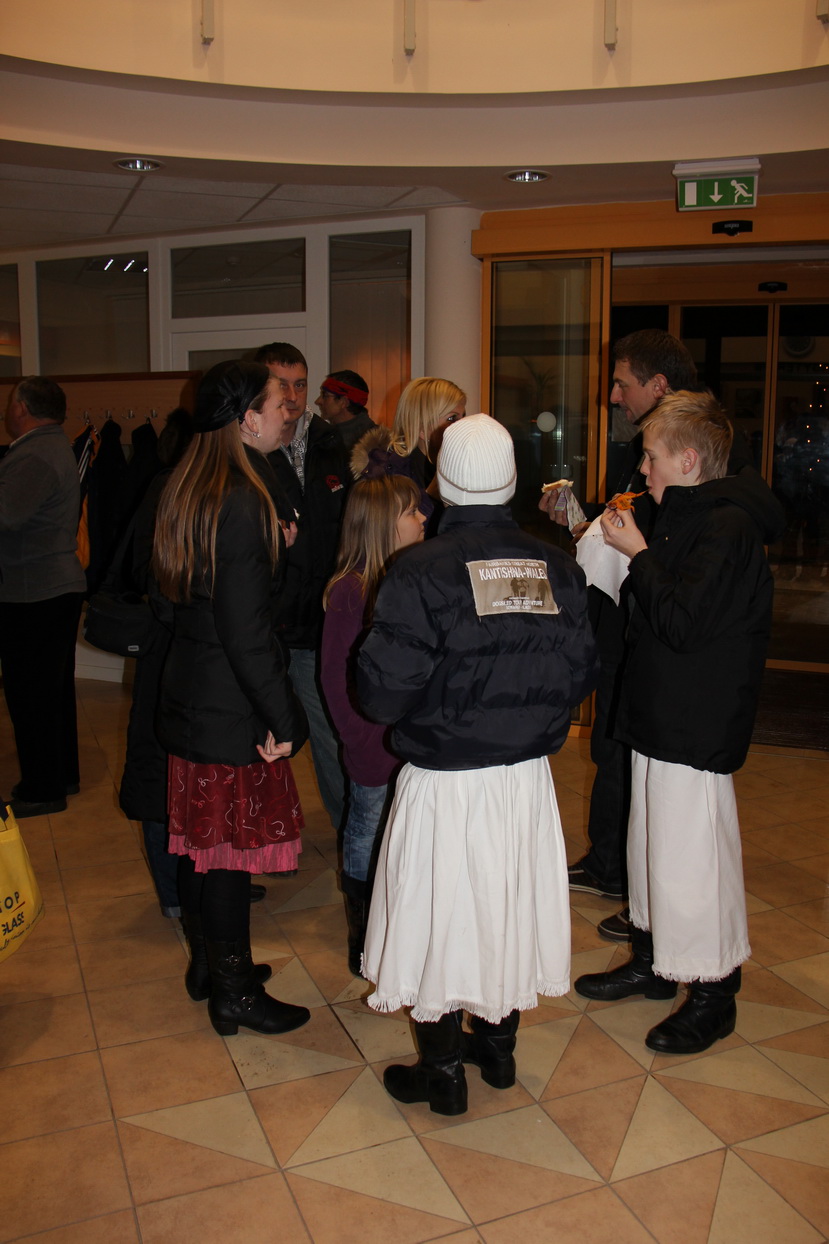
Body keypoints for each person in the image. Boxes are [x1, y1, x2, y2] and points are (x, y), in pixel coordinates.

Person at [357, 414, 598, 1115]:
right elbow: (583, 669)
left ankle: (444, 1074)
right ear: (513, 480)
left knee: (439, 914)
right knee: (503, 906)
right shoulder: (557, 566)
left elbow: (380, 694)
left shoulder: (418, 571)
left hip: (443, 779)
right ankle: (497, 1052)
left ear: (441, 484)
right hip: (523, 781)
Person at [574, 391, 783, 1054]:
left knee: (692, 862)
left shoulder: (728, 527)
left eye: (652, 456)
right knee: (650, 849)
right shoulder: (683, 515)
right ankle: (654, 961)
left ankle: (715, 994)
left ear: (688, 460)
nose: (643, 469)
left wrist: (637, 554)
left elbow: (682, 622)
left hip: (694, 725)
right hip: (659, 713)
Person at [152, 360, 310, 1037]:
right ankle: (235, 992)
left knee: (201, 848)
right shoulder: (241, 499)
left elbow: (190, 603)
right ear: (246, 418)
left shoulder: (192, 486)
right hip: (228, 702)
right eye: (278, 402)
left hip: (194, 690)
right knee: (226, 858)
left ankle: (209, 969)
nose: (288, 411)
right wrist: (284, 716)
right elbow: (246, 632)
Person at [540, 330, 697, 942]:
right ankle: (608, 864)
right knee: (611, 747)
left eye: (621, 384)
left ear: (659, 386)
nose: (611, 396)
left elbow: (653, 556)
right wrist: (580, 523)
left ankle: (630, 879)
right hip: (620, 626)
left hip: (647, 632)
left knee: (631, 753)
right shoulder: (640, 452)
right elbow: (619, 535)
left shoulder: (689, 477)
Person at [319, 476, 426, 975]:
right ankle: (362, 936)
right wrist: (358, 735)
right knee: (365, 829)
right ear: (384, 524)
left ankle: (400, 924)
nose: (423, 519)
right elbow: (334, 676)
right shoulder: (351, 591)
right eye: (412, 511)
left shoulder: (413, 579)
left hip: (411, 740)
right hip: (374, 742)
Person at [255, 342, 350, 833]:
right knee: (261, 741)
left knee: (330, 735)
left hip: (318, 622)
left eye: (300, 385)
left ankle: (348, 837)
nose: (292, 396)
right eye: (281, 385)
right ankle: (269, 841)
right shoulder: (244, 451)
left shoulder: (335, 445)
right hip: (261, 625)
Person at [0, 377, 86, 818]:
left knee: (31, 694)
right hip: (49, 588)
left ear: (21, 407)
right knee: (51, 692)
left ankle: (42, 788)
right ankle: (59, 775)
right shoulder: (53, 446)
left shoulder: (35, 453)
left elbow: (6, 515)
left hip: (34, 591)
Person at [351, 376, 466, 534]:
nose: (461, 426)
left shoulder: (457, 466)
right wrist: (431, 494)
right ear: (421, 427)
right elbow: (395, 537)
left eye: (463, 417)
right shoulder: (386, 476)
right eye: (452, 418)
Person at [315, 370, 375, 453]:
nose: (318, 401)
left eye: (325, 395)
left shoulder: (376, 444)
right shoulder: (326, 438)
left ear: (344, 402)